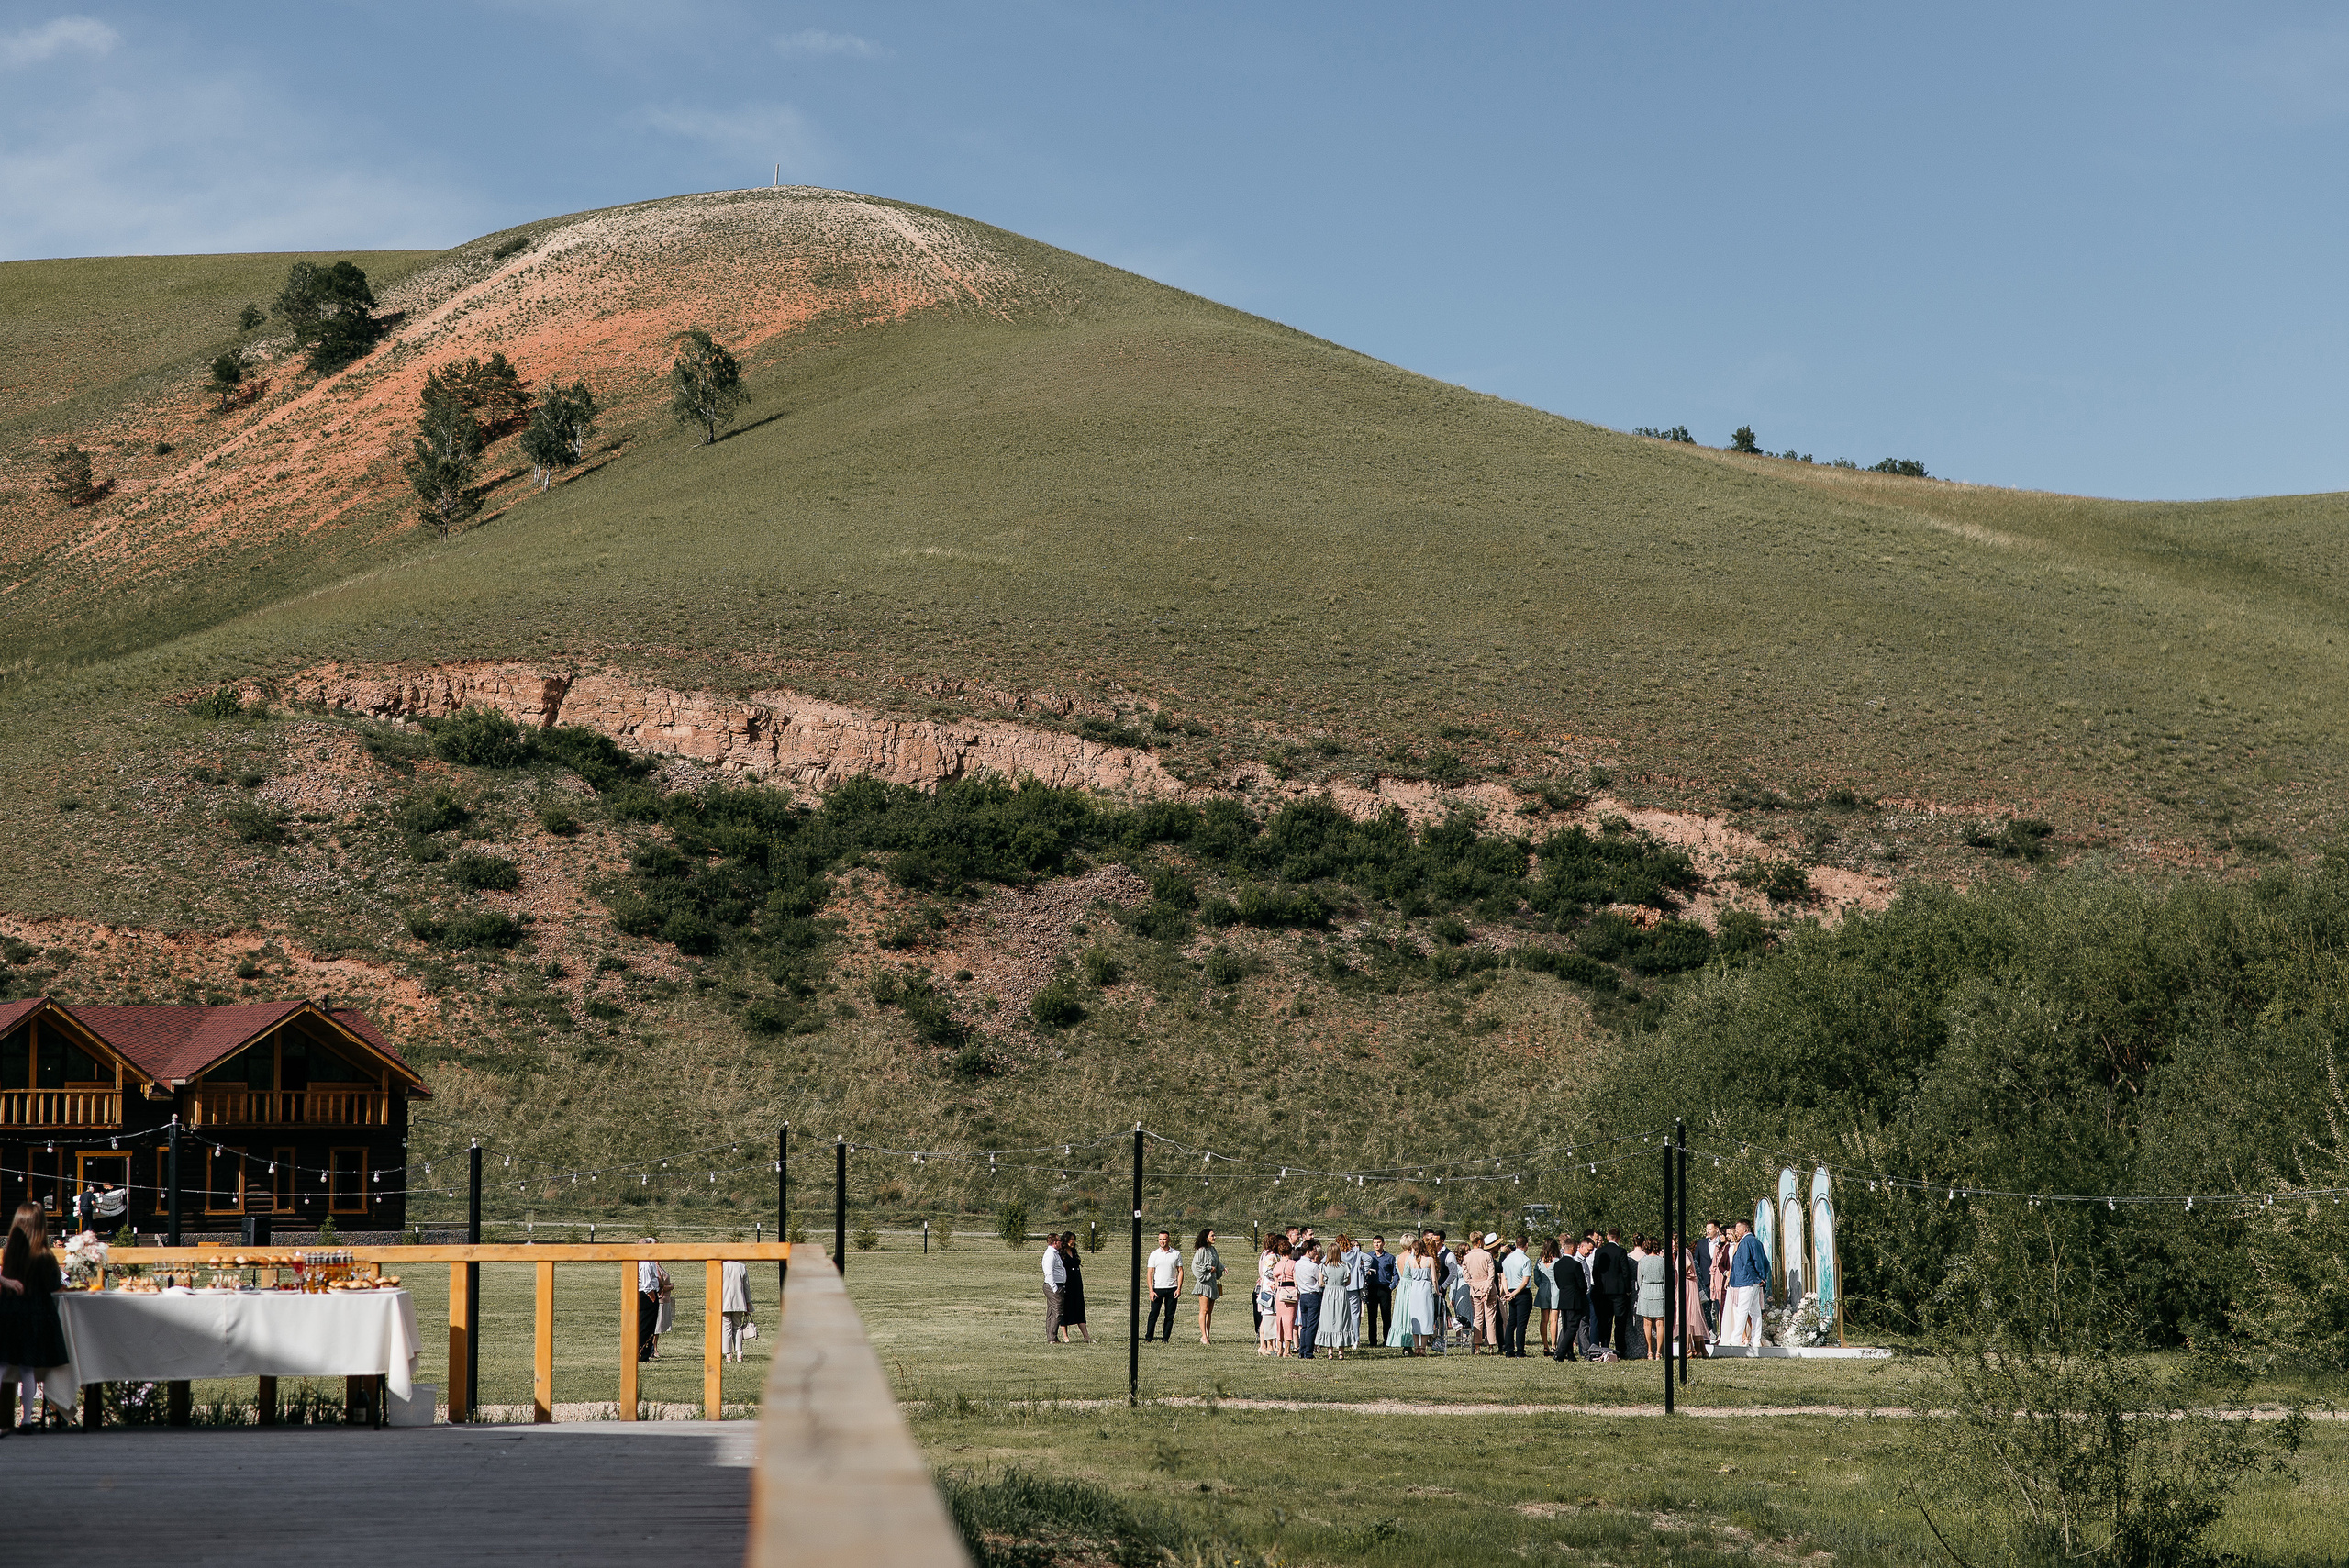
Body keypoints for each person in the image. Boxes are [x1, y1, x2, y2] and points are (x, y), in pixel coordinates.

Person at [0, 1204, 67, 1434]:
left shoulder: (10, 1252)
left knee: (2, 1364)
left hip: (8, 1312)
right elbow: (54, 1285)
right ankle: (27, 1420)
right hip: (34, 1315)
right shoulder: (44, 1255)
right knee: (27, 1369)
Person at [1388, 1238, 1438, 1354]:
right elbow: (1434, 1278)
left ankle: (1416, 1348)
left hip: (1414, 1289)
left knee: (1415, 1317)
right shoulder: (1429, 1260)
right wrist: (1436, 1290)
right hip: (1425, 1288)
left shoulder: (1411, 1261)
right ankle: (1423, 1348)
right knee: (1426, 1317)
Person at [1590, 1228, 1633, 1360]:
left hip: (1603, 1292)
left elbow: (1595, 1271)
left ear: (1608, 1237)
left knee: (1605, 1321)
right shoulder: (1621, 1251)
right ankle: (1620, 1349)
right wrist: (1628, 1289)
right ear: (1618, 1238)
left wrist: (1599, 1287)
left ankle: (1604, 1346)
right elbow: (1626, 1272)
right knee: (1620, 1322)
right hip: (1619, 1292)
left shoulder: (1599, 1251)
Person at [1724, 1218, 1768, 1350]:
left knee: (1742, 1310)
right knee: (1755, 1312)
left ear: (1745, 1229)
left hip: (1746, 1281)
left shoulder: (1746, 1242)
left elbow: (1747, 1262)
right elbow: (1765, 1262)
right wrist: (1761, 1278)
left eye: (1738, 1229)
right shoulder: (1757, 1242)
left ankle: (1735, 1339)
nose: (1736, 1232)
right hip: (1752, 1282)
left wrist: (1756, 1278)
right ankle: (1755, 1339)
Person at [1548, 1233, 1591, 1363]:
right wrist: (1582, 1293)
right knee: (1573, 1327)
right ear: (1572, 1248)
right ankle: (1560, 1352)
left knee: (1566, 1326)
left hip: (1563, 1298)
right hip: (1575, 1299)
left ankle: (1570, 1353)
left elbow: (1558, 1282)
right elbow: (1582, 1285)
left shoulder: (1557, 1264)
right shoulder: (1575, 1265)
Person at [1323, 1233, 1364, 1359]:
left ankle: (1331, 1347)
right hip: (1348, 1287)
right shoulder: (1355, 1253)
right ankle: (1354, 1340)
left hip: (1332, 1290)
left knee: (1331, 1317)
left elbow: (1322, 1276)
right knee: (1350, 1315)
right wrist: (1360, 1271)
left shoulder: (1327, 1264)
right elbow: (1368, 1259)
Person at [1675, 1234, 1710, 1360]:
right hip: (1690, 1286)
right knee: (1693, 1318)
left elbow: (1688, 1263)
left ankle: (1688, 1349)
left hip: (1686, 1287)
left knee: (1687, 1317)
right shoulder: (1687, 1251)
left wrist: (1683, 1272)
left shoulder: (1683, 1253)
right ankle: (1701, 1350)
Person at [636, 1240, 671, 1362]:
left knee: (650, 1327)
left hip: (652, 1293)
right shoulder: (645, 1263)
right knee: (645, 1326)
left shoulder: (649, 1261)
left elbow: (656, 1278)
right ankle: (642, 1355)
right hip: (647, 1296)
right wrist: (653, 1297)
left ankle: (646, 1352)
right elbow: (646, 1285)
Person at [1463, 1233, 1498, 1353]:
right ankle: (1491, 1345)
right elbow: (1491, 1274)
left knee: (1477, 1318)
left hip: (1476, 1290)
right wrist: (1486, 1289)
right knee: (1490, 1318)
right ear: (1480, 1241)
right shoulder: (1487, 1255)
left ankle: (1477, 1346)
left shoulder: (1466, 1258)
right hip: (1488, 1289)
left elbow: (1467, 1278)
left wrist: (1478, 1288)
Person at [1145, 1231, 1182, 1342]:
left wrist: (1179, 1288)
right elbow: (1149, 1273)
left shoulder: (1176, 1254)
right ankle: (1149, 1338)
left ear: (1169, 1240)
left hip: (1172, 1288)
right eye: (1160, 1239)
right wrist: (1151, 1290)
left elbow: (1180, 1271)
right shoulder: (1154, 1255)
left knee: (1169, 1316)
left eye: (1164, 1239)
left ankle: (1165, 1338)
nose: (1162, 1241)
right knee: (1153, 1315)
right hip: (1158, 1289)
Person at [1500, 1238, 1535, 1357]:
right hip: (1522, 1293)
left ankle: (1509, 1349)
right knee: (1521, 1324)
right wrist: (1514, 1293)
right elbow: (1525, 1282)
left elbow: (1503, 1277)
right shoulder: (1525, 1260)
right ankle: (1520, 1350)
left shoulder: (1507, 1259)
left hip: (1510, 1291)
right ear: (1526, 1245)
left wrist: (1507, 1292)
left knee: (1511, 1322)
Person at [1634, 1235, 1667, 1360]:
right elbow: (1666, 1279)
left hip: (1646, 1291)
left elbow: (1639, 1279)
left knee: (1647, 1324)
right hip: (1659, 1291)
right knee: (1660, 1325)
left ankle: (1649, 1351)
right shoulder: (1663, 1261)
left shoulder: (1642, 1261)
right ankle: (1658, 1352)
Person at [719, 1257, 756, 1362]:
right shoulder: (742, 1267)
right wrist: (748, 1302)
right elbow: (746, 1287)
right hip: (739, 1301)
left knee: (726, 1328)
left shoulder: (722, 1266)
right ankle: (739, 1353)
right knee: (738, 1327)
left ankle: (728, 1355)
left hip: (724, 1301)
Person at [1190, 1229, 1223, 1345]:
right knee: (1204, 1310)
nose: (1214, 1237)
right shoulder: (1201, 1251)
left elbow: (1218, 1263)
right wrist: (1208, 1268)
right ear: (1206, 1237)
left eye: (1214, 1235)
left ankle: (1207, 1334)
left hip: (1212, 1284)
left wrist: (1222, 1268)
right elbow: (1195, 1266)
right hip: (1204, 1284)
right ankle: (1203, 1336)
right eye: (1212, 1236)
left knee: (1209, 1311)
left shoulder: (1213, 1250)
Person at [1293, 1242, 1325, 1358]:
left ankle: (1302, 1350)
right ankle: (1308, 1352)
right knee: (1312, 1325)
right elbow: (1320, 1281)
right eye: (1314, 1251)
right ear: (1309, 1251)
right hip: (1313, 1295)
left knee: (1305, 1325)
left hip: (1303, 1296)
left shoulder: (1297, 1264)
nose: (1315, 1253)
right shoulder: (1313, 1267)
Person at [1058, 1234, 1091, 1343]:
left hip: (1077, 1284)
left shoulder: (1074, 1253)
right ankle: (1065, 1336)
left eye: (1074, 1239)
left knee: (1080, 1309)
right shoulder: (1060, 1254)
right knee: (1065, 1309)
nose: (1073, 1241)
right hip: (1067, 1284)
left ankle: (1086, 1336)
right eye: (1071, 1239)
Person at [1365, 1236, 1397, 1346]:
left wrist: (1391, 1287)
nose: (1377, 1245)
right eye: (1375, 1243)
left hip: (1384, 1288)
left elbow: (1396, 1274)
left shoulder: (1390, 1258)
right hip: (1372, 1288)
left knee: (1386, 1315)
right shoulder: (1368, 1257)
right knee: (1372, 1316)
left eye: (1379, 1242)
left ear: (1383, 1243)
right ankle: (1372, 1341)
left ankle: (1387, 1340)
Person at [1256, 1236, 1284, 1355]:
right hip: (1270, 1290)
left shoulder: (1268, 1254)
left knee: (1268, 1318)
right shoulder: (1271, 1256)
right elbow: (1267, 1272)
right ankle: (1266, 1345)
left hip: (1270, 1289)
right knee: (1268, 1317)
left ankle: (1268, 1345)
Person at [1271, 1240, 1299, 1356]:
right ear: (1290, 1251)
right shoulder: (1294, 1264)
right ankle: (1287, 1350)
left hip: (1280, 1294)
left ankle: (1279, 1348)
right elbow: (1296, 1281)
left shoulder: (1277, 1265)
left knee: (1280, 1321)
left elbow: (1276, 1282)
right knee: (1289, 1322)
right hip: (1291, 1293)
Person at [1534, 1238, 1560, 1354]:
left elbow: (1536, 1279)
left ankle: (1545, 1345)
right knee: (1554, 1319)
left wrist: (1542, 1285)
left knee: (1544, 1320)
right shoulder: (1558, 1261)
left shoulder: (1539, 1262)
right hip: (1556, 1289)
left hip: (1543, 1288)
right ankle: (1553, 1345)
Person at [1041, 1232, 1068, 1344]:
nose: (1061, 1243)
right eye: (1059, 1241)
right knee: (1057, 1311)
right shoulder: (1050, 1255)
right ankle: (1052, 1338)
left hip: (1057, 1285)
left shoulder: (1055, 1253)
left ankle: (1051, 1336)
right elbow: (1048, 1272)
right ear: (1055, 1242)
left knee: (1052, 1311)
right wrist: (1055, 1288)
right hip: (1053, 1286)